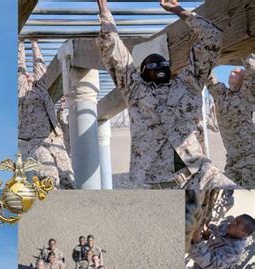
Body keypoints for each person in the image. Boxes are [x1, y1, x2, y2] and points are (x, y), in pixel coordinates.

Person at [95, 0, 237, 190]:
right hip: (151, 185)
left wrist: (178, 10)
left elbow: (212, 39)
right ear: (141, 73)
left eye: (163, 64)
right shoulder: (135, 91)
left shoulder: (189, 83)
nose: (159, 67)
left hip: (199, 176)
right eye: (151, 66)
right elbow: (116, 53)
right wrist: (104, 9)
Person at [18, 39, 74, 189]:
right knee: (50, 177)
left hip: (55, 138)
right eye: (26, 75)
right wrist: (21, 44)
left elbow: (40, 68)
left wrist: (35, 44)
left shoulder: (41, 88)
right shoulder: (22, 92)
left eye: (31, 75)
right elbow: (20, 68)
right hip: (36, 141)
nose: (29, 75)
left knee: (68, 177)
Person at [206, 54, 255, 187]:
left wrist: (246, 51)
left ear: (244, 78)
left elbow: (252, 69)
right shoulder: (220, 94)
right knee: (230, 191)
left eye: (236, 72)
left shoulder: (247, 94)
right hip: (232, 157)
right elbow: (208, 77)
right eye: (230, 72)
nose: (231, 73)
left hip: (250, 156)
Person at [186, 214, 254, 269]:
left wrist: (196, 238)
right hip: (200, 258)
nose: (232, 222)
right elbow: (213, 233)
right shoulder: (227, 228)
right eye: (235, 220)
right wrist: (206, 231)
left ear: (243, 235)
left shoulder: (235, 251)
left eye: (237, 223)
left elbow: (210, 263)